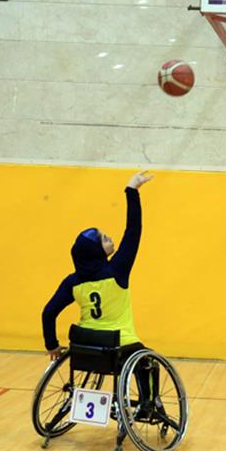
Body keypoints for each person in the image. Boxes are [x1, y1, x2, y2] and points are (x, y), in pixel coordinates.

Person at [41, 171, 156, 414]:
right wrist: (131, 190)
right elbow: (133, 230)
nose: (110, 238)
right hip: (121, 347)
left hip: (85, 349)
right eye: (105, 239)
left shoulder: (72, 282)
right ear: (97, 252)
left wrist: (52, 345)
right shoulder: (117, 270)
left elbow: (48, 313)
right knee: (149, 363)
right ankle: (147, 405)